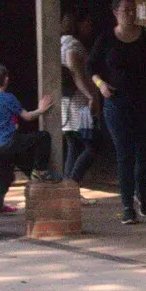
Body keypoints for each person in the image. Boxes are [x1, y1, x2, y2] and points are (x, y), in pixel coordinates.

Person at [90, 0, 146, 225]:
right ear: (115, 13)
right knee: (125, 154)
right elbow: (91, 67)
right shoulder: (106, 39)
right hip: (117, 102)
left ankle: (141, 195)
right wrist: (100, 85)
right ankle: (126, 205)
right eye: (126, 10)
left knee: (145, 152)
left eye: (133, 10)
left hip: (145, 101)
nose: (131, 14)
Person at [0, 60, 56, 224]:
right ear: (6, 80)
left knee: (1, 185)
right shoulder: (8, 98)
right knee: (42, 137)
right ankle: (40, 169)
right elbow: (27, 116)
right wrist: (41, 109)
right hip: (9, 142)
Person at [59, 12, 100, 184]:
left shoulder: (61, 41)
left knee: (73, 146)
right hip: (78, 103)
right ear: (78, 24)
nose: (90, 27)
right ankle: (71, 184)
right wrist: (91, 96)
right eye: (87, 23)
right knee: (93, 146)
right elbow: (76, 73)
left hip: (66, 102)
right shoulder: (73, 45)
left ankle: (68, 188)